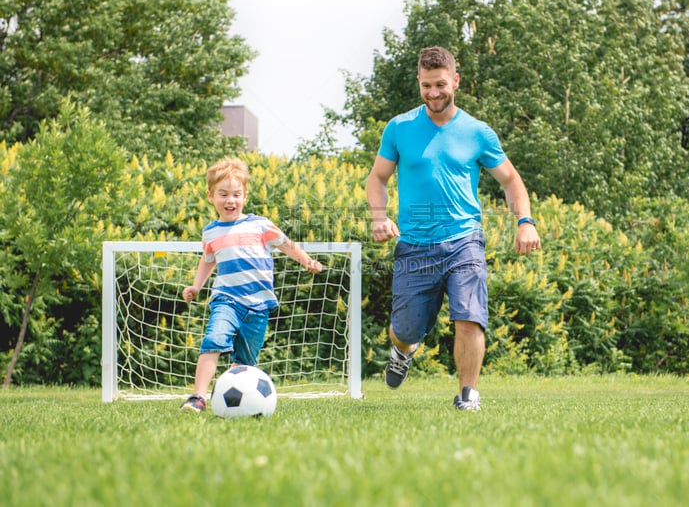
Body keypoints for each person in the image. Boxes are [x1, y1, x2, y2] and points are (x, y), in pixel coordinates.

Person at [365, 46, 541, 411]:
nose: (433, 93)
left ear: (455, 81)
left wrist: (524, 221)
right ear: (419, 82)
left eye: (441, 84)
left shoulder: (478, 132)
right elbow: (378, 178)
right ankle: (402, 350)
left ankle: (468, 395)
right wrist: (379, 216)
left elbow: (511, 180)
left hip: (464, 240)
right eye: (426, 85)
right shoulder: (399, 128)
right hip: (414, 244)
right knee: (407, 328)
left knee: (469, 314)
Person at [180, 157, 323, 412]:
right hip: (226, 300)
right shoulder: (210, 232)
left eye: (236, 194)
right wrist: (197, 286)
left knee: (245, 361)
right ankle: (198, 397)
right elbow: (208, 260)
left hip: (258, 306)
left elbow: (286, 244)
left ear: (245, 195)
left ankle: (239, 404)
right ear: (210, 196)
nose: (230, 200)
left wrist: (306, 260)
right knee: (213, 339)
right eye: (223, 194)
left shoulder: (260, 224)